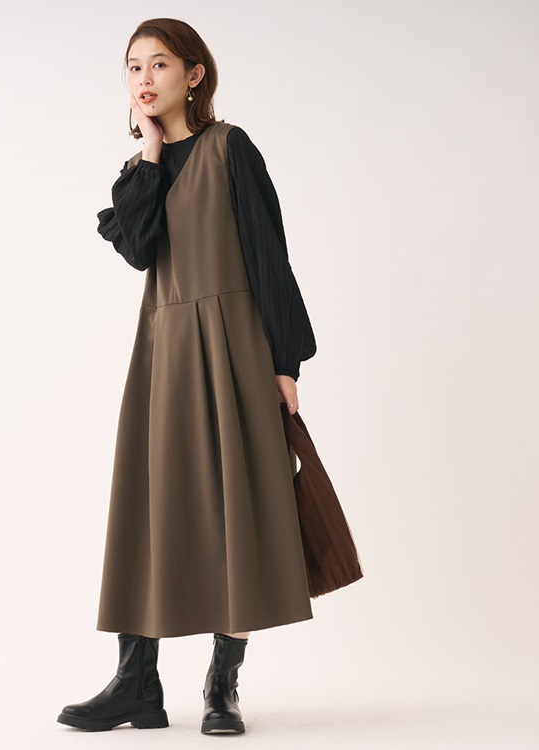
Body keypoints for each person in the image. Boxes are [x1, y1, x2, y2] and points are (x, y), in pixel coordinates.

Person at [57, 17, 317, 735]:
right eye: (133, 67)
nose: (143, 79)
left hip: (234, 345)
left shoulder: (231, 147)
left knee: (238, 504)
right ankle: (136, 683)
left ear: (194, 74)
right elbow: (139, 250)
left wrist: (284, 362)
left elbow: (269, 254)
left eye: (159, 64)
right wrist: (149, 150)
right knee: (148, 505)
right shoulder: (138, 171)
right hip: (164, 350)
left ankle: (221, 685)